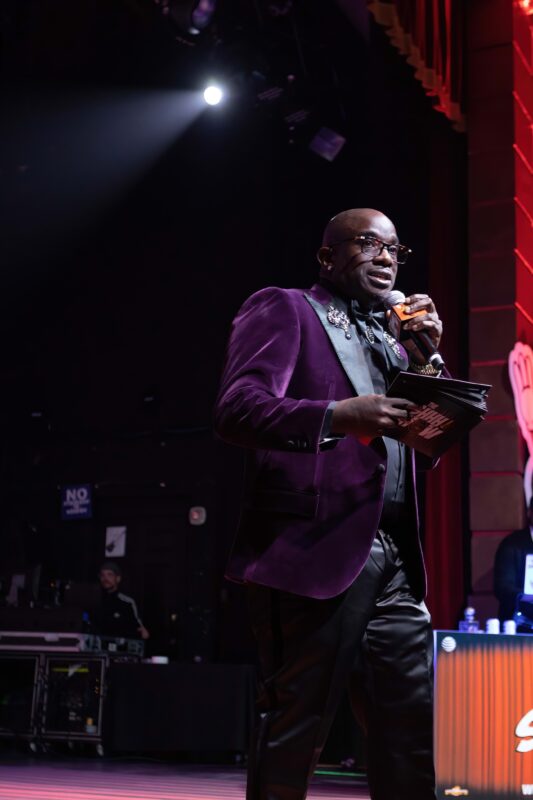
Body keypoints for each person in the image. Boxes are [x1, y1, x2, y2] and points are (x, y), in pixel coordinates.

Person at [214, 208, 444, 800]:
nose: (386, 257)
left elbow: (426, 444)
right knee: (297, 725)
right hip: (314, 547)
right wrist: (336, 416)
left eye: (394, 249)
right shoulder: (288, 308)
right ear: (327, 257)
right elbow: (237, 409)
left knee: (408, 731)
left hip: (394, 556)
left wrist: (426, 359)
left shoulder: (394, 344)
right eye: (369, 244)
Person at [494, 497, 533, 622]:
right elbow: (502, 587)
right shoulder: (511, 544)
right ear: (530, 512)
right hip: (518, 623)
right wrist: (526, 597)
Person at [93, 561, 150, 640]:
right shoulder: (94, 600)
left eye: (110, 575)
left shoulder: (127, 602)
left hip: (121, 646)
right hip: (97, 645)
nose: (105, 579)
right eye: (102, 575)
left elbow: (140, 630)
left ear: (118, 579)